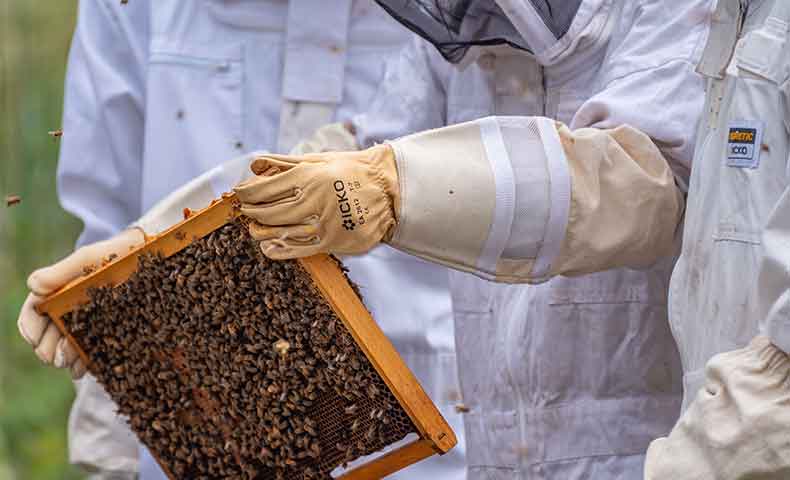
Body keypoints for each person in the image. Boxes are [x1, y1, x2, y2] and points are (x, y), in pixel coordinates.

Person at [233, 0, 712, 478]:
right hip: (496, 450)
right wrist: (314, 165)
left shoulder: (673, 13)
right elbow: (380, 141)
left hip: (642, 452)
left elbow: (634, 184)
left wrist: (394, 185)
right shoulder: (464, 30)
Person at [15, 1, 466, 479]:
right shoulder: (132, 10)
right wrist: (109, 454)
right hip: (201, 427)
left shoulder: (459, 23)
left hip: (427, 433)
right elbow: (107, 209)